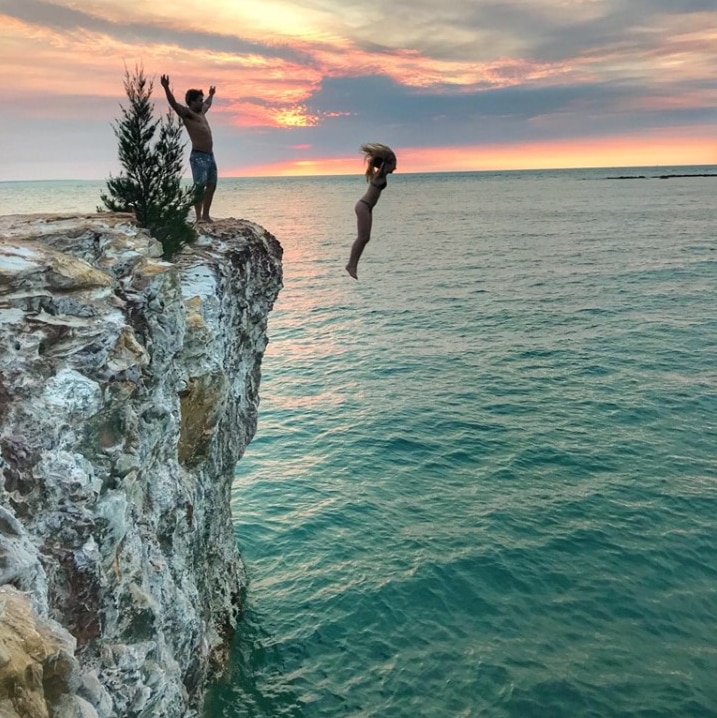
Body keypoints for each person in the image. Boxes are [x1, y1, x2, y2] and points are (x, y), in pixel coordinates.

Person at [160, 74, 217, 223]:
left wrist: (211, 95)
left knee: (211, 185)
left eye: (202, 99)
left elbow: (209, 103)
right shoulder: (188, 114)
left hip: (210, 156)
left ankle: (206, 215)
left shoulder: (202, 111)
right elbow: (173, 104)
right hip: (198, 156)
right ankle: (198, 218)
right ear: (192, 102)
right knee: (199, 186)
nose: (202, 102)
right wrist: (166, 87)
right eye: (199, 100)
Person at [345, 143, 397, 279]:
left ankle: (352, 264)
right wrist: (387, 155)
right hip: (363, 207)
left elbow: (387, 162)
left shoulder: (380, 175)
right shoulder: (379, 175)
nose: (396, 167)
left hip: (367, 207)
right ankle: (351, 265)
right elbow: (386, 160)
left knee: (365, 238)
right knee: (363, 237)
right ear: (386, 164)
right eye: (394, 164)